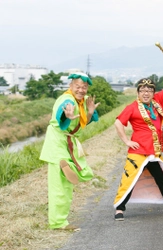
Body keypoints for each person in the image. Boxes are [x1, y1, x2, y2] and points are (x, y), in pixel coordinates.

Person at [113, 69, 163, 221]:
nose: (146, 93)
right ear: (138, 93)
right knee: (130, 178)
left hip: (154, 150)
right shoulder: (132, 107)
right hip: (138, 150)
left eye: (149, 90)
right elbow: (118, 122)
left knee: (161, 178)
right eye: (143, 91)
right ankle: (119, 208)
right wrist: (127, 141)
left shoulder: (157, 102)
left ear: (153, 93)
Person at [39, 72, 100, 231]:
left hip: (69, 143)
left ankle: (68, 167)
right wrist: (67, 114)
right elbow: (63, 108)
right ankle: (58, 223)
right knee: (60, 187)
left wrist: (91, 111)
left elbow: (84, 122)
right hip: (57, 143)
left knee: (85, 172)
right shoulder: (67, 99)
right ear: (70, 86)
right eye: (78, 86)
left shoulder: (83, 101)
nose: (81, 90)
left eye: (84, 87)